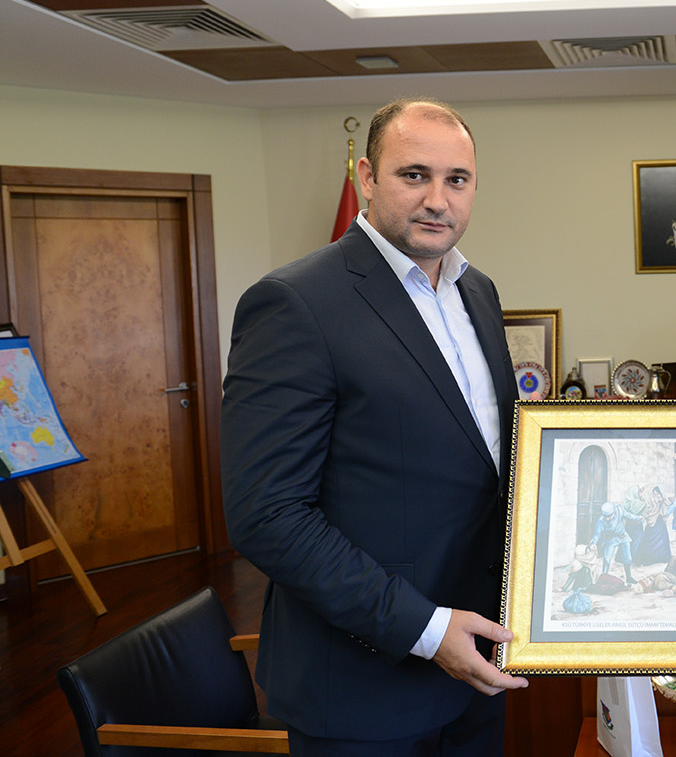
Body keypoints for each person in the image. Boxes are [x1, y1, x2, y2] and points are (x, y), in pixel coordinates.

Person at [221, 98, 527, 757]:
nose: (438, 200)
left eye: (457, 179)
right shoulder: (295, 302)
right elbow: (266, 515)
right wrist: (424, 629)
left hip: (478, 664)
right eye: (414, 175)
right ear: (366, 177)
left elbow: (488, 458)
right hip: (361, 686)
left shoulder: (478, 291)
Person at [591, 501, 643, 585]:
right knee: (607, 560)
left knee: (628, 559)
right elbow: (597, 533)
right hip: (611, 539)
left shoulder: (619, 510)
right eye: (606, 517)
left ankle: (629, 577)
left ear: (614, 512)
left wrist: (638, 518)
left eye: (609, 516)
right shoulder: (601, 520)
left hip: (623, 537)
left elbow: (629, 515)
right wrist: (593, 543)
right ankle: (604, 579)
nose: (607, 519)